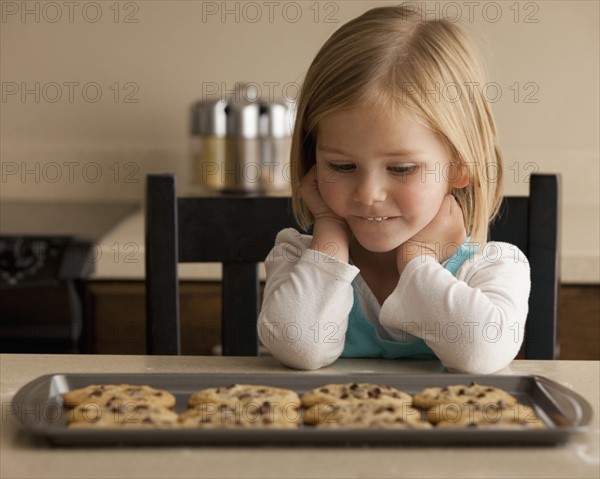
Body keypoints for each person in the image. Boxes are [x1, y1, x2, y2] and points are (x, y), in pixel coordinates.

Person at [256, 4, 530, 374]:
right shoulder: (296, 260)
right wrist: (329, 239)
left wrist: (418, 260)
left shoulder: (493, 268)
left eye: (401, 169)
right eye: (342, 166)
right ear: (312, 162)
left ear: (461, 165)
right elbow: (300, 346)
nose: (368, 193)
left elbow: (480, 353)